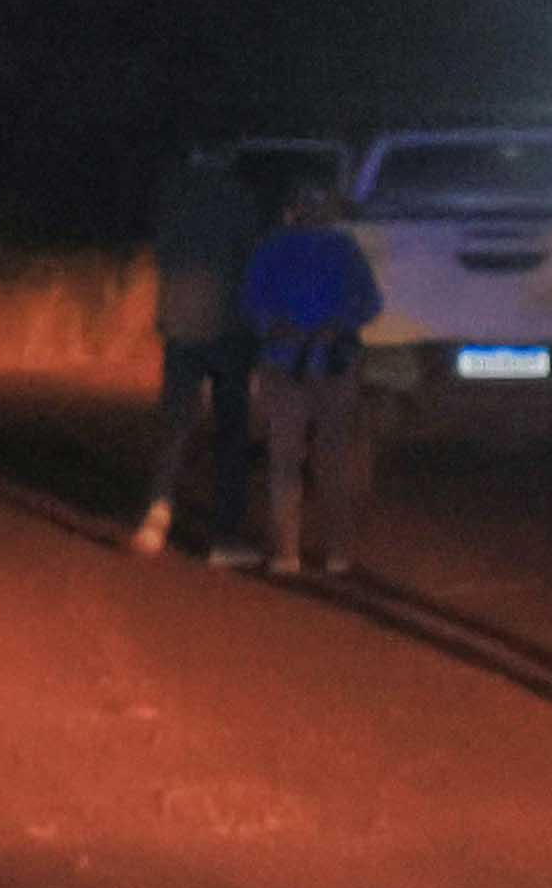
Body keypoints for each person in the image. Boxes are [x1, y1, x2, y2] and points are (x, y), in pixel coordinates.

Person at [127, 141, 297, 558]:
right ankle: (223, 537)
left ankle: (156, 513)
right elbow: (251, 260)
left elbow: (163, 252)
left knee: (175, 423)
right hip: (227, 327)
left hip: (180, 324)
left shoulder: (172, 199)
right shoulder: (239, 199)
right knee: (230, 432)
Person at [244, 176, 382, 575]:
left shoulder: (271, 249)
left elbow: (252, 306)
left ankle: (288, 552)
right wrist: (337, 325)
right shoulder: (343, 249)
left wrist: (279, 327)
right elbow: (370, 305)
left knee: (285, 460)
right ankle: (336, 552)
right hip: (330, 364)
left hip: (286, 362)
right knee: (332, 459)